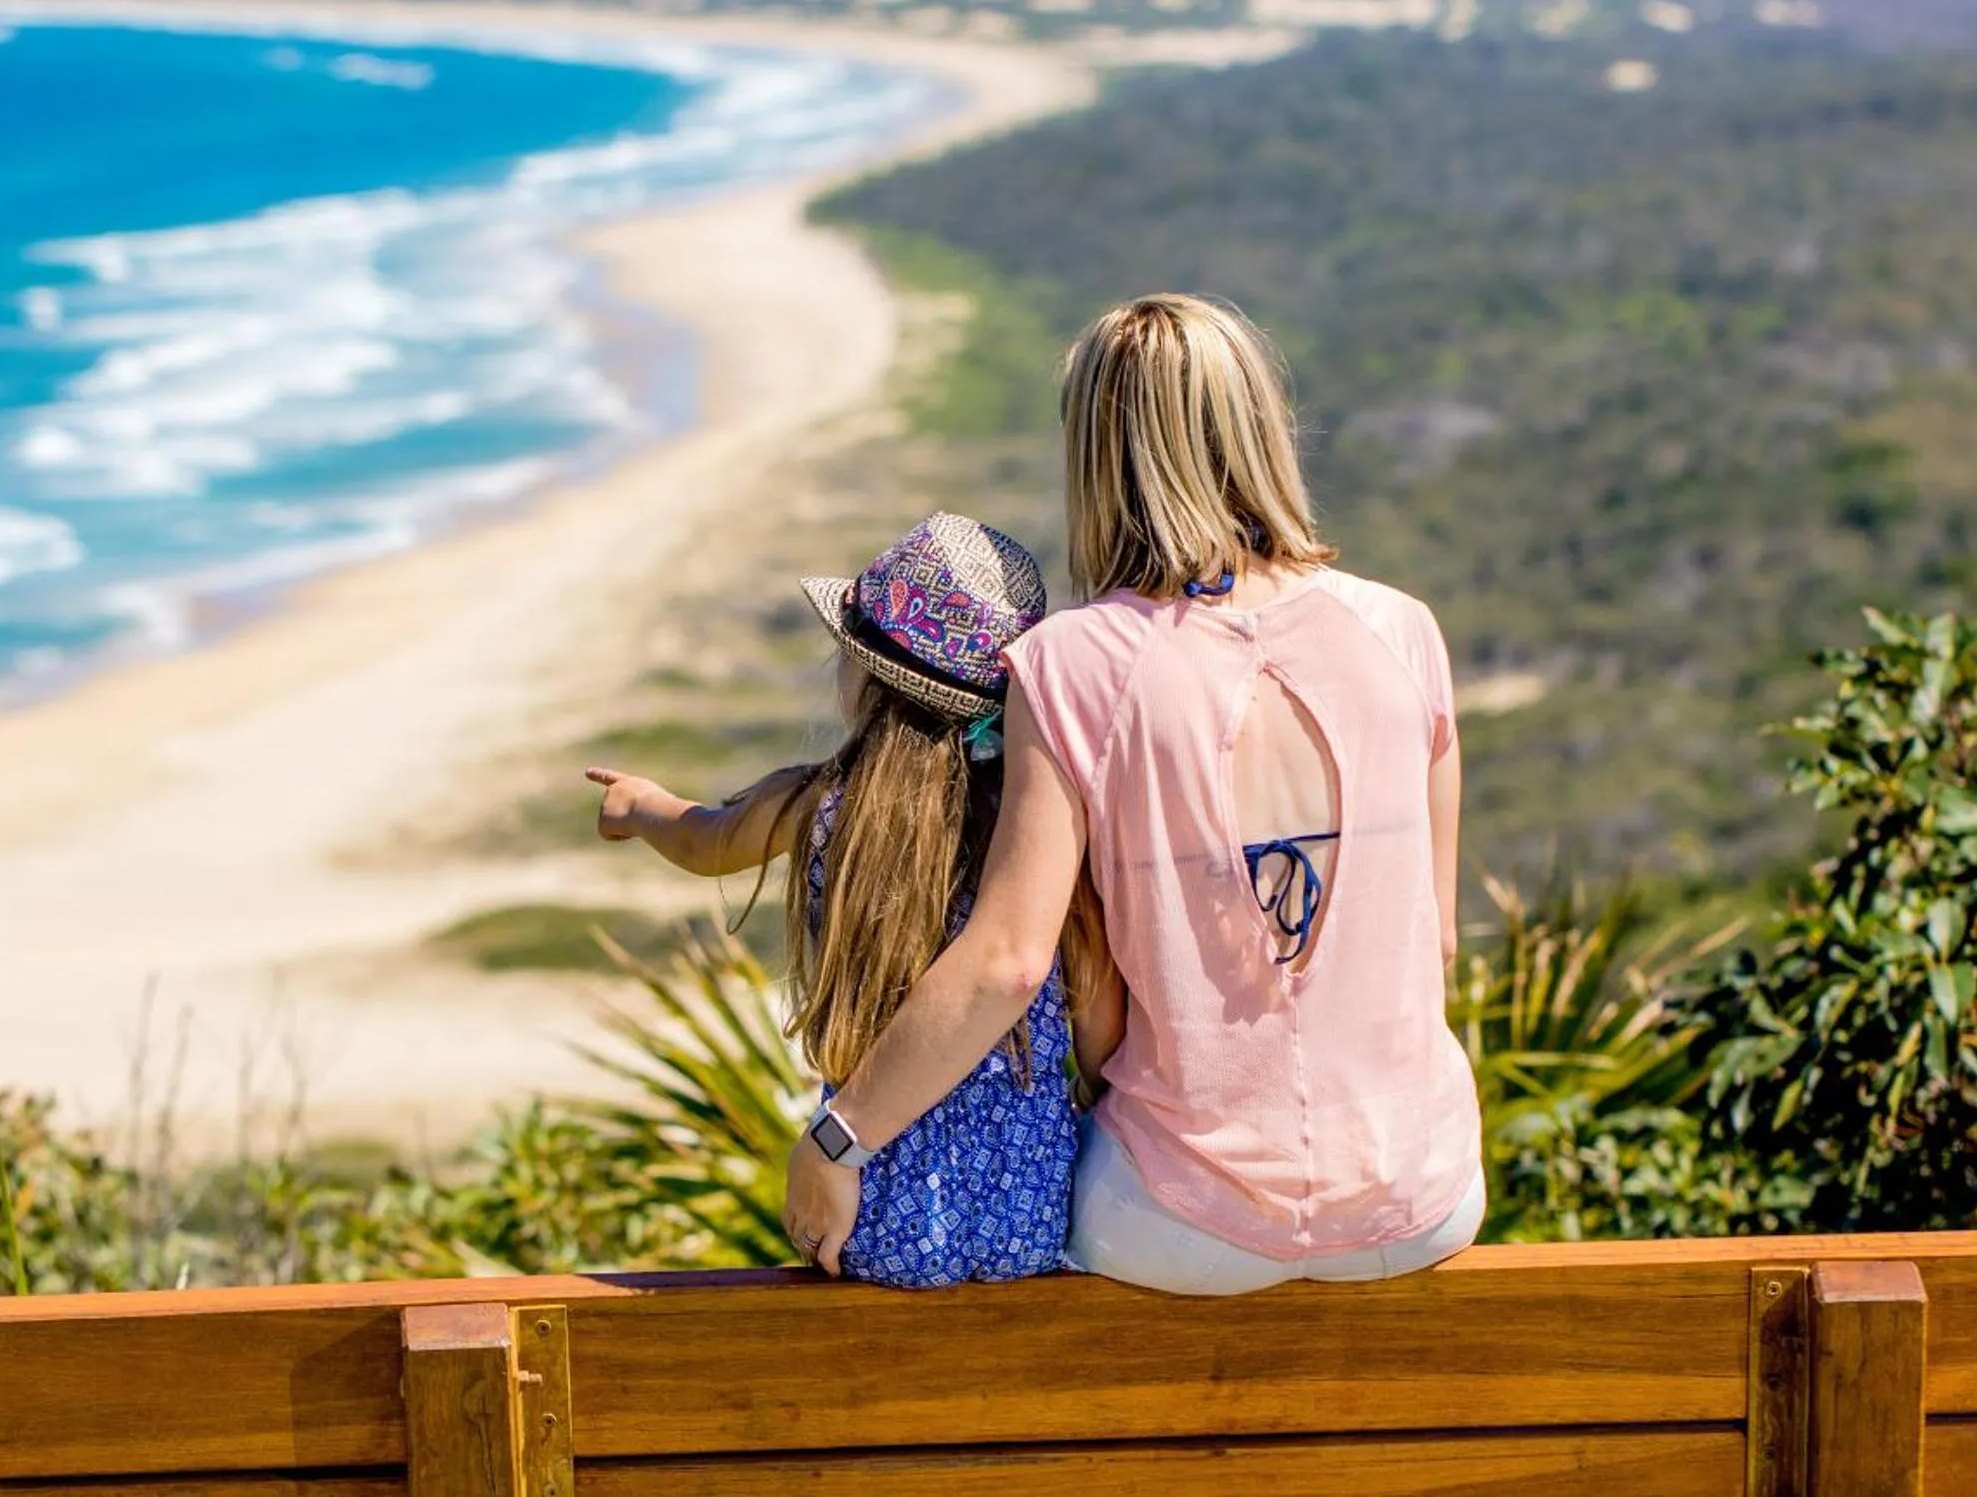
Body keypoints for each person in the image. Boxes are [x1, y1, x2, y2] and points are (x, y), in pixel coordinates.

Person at [783, 295, 1483, 1295]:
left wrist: (837, 1138)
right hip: (1422, 1198)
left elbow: (1008, 960)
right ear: (1255, 427)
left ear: (1098, 455)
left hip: (1189, 1224)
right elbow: (1437, 944)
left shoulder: (1067, 662)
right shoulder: (1403, 630)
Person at [588, 512, 1114, 1287]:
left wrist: (638, 806)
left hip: (867, 1211)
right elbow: (1099, 1009)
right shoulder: (1039, 846)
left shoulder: (816, 804)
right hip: (1033, 1219)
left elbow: (705, 838)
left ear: (865, 676)